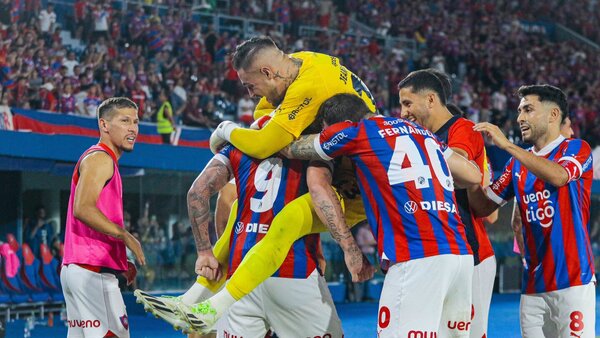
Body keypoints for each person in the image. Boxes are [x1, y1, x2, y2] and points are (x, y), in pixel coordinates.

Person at [280, 93, 482, 337]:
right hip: (459, 255)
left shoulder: (358, 132)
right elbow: (473, 176)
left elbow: (290, 148)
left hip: (416, 254)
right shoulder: (423, 133)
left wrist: (231, 133)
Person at [466, 85, 595, 338]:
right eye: (519, 111)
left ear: (553, 114)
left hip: (573, 282)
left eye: (528, 110)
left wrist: (507, 147)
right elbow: (483, 207)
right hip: (533, 286)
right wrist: (470, 174)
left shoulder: (576, 149)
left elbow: (559, 176)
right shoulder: (517, 164)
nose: (520, 118)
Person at [398, 69, 498, 337]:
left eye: (407, 104)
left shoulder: (462, 128)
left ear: (430, 100)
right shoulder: (419, 136)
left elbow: (457, 168)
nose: (402, 113)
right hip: (440, 252)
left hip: (472, 252)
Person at [61, 97, 146, 338]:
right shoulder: (101, 158)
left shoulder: (102, 159)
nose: (133, 128)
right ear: (104, 125)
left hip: (80, 269)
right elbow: (83, 208)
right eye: (125, 121)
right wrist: (125, 236)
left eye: (136, 122)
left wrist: (119, 261)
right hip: (91, 272)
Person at [511, 114, 575, 261]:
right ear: (556, 128)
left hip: (535, 257)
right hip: (565, 260)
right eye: (569, 126)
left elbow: (516, 221)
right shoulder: (564, 161)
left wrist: (525, 259)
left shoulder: (524, 162)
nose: (571, 132)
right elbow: (516, 221)